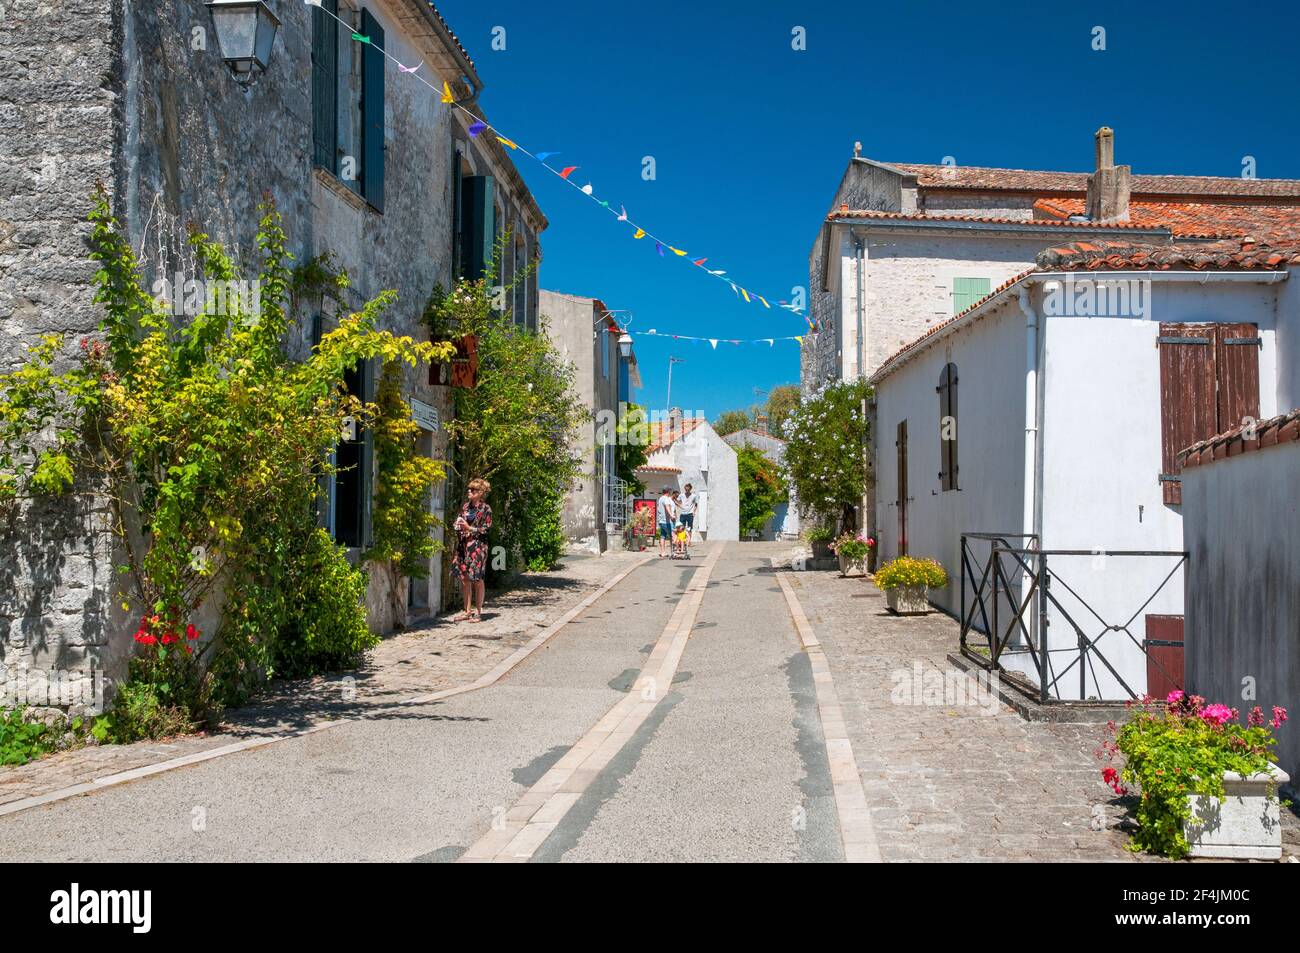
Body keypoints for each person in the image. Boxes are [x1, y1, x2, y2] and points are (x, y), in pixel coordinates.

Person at [453, 477, 493, 621]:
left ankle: (479, 612)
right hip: (463, 546)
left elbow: (486, 529)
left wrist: (470, 528)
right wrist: (457, 526)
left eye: (473, 489)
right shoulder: (465, 507)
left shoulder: (486, 509)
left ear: (480, 492)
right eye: (469, 489)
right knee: (464, 578)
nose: (469, 491)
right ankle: (467, 611)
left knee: (477, 578)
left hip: (478, 547)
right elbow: (460, 522)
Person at [655, 485, 678, 558]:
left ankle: (663, 552)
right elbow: (667, 507)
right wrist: (671, 515)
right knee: (673, 536)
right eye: (670, 490)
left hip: (661, 521)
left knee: (663, 536)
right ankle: (673, 552)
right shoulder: (666, 499)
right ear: (668, 491)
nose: (670, 492)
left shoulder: (660, 498)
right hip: (667, 521)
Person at [677, 483, 699, 549]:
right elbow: (678, 501)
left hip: (690, 514)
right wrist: (679, 506)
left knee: (689, 528)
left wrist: (694, 512)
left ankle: (689, 542)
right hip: (683, 514)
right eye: (686, 490)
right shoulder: (681, 495)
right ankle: (682, 541)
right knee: (681, 528)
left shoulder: (693, 496)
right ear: (684, 489)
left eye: (688, 490)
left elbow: (696, 504)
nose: (687, 491)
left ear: (690, 489)